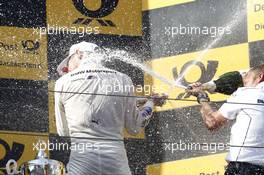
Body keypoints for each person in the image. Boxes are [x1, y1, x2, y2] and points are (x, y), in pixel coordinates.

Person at [54, 41, 167, 175]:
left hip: (81, 167)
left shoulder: (62, 82)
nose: (68, 67)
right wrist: (151, 103)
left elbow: (63, 131)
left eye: (68, 62)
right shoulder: (123, 79)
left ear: (78, 53)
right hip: (116, 166)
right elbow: (135, 127)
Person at [187, 64, 264, 175]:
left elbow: (212, 122)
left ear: (260, 77)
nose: (243, 83)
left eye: (246, 77)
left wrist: (201, 97)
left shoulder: (247, 93)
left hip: (245, 166)